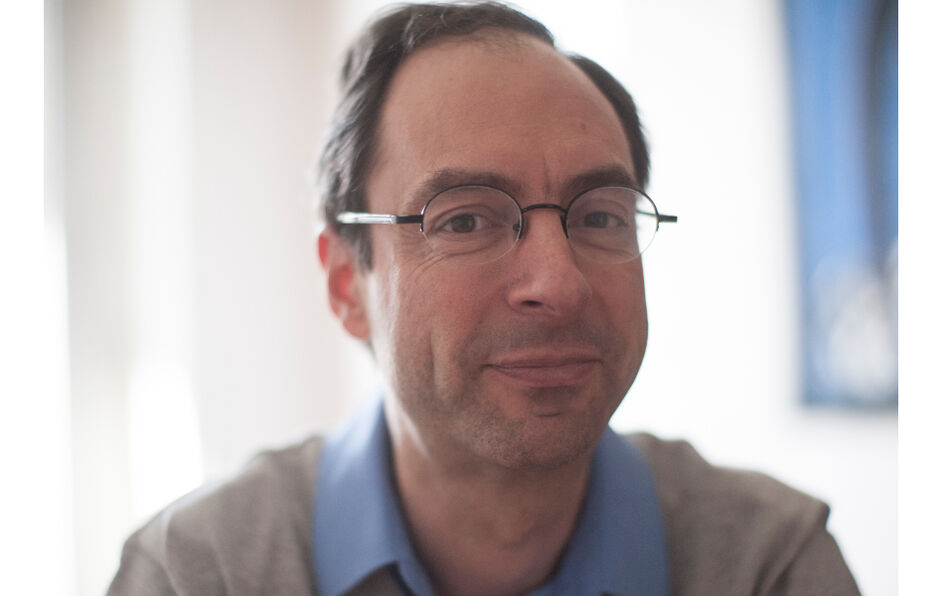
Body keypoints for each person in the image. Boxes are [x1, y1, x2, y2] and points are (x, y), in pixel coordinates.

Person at [108, 2, 860, 595]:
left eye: (600, 216)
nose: (557, 284)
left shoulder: (769, 565)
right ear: (346, 284)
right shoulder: (201, 573)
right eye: (464, 220)